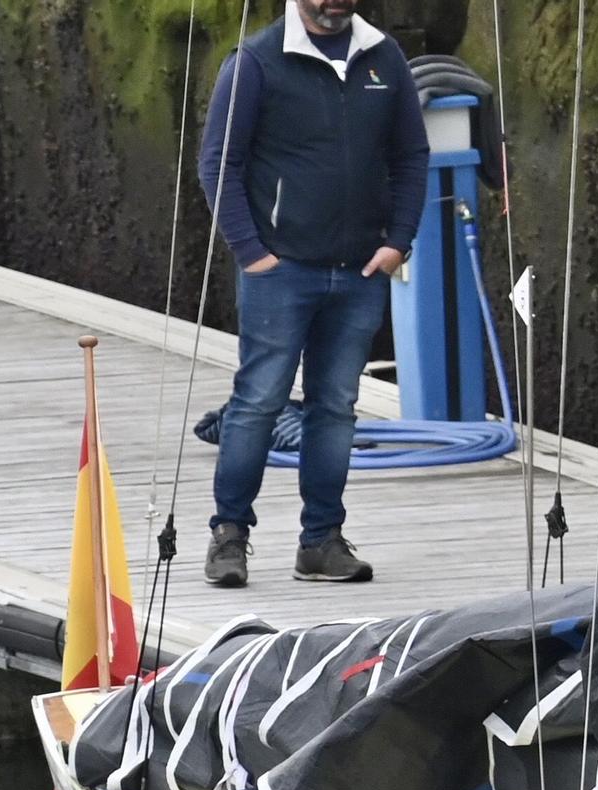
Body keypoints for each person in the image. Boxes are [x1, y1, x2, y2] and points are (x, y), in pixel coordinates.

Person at [196, 0, 429, 588]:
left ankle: (321, 542)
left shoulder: (385, 58)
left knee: (335, 408)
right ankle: (229, 537)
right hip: (281, 270)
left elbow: (411, 156)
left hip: (359, 273)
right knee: (258, 401)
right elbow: (218, 165)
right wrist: (253, 254)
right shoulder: (254, 61)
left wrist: (399, 239)